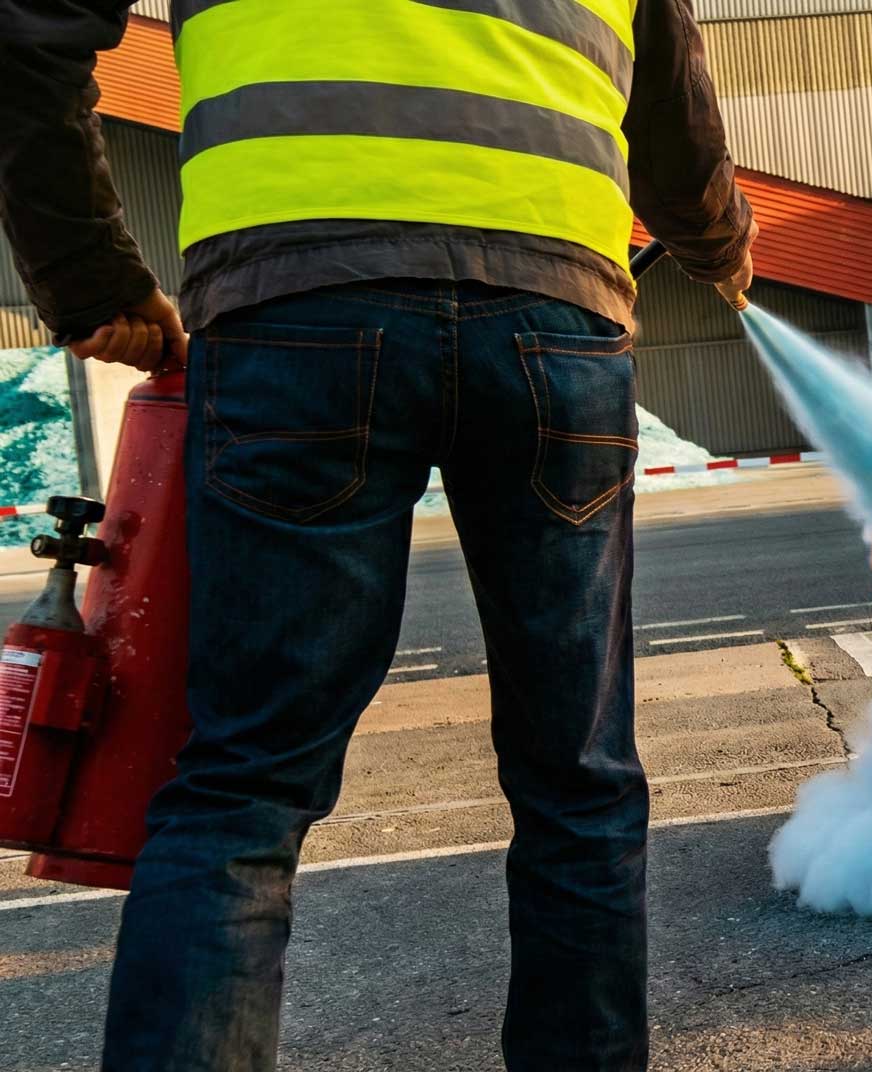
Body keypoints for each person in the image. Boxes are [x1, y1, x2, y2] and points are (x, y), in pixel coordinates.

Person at [0, 1, 756, 1068]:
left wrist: (86, 275)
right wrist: (718, 239)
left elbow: (29, 35)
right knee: (577, 778)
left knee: (243, 786)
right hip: (552, 321)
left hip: (294, 310)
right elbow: (671, 103)